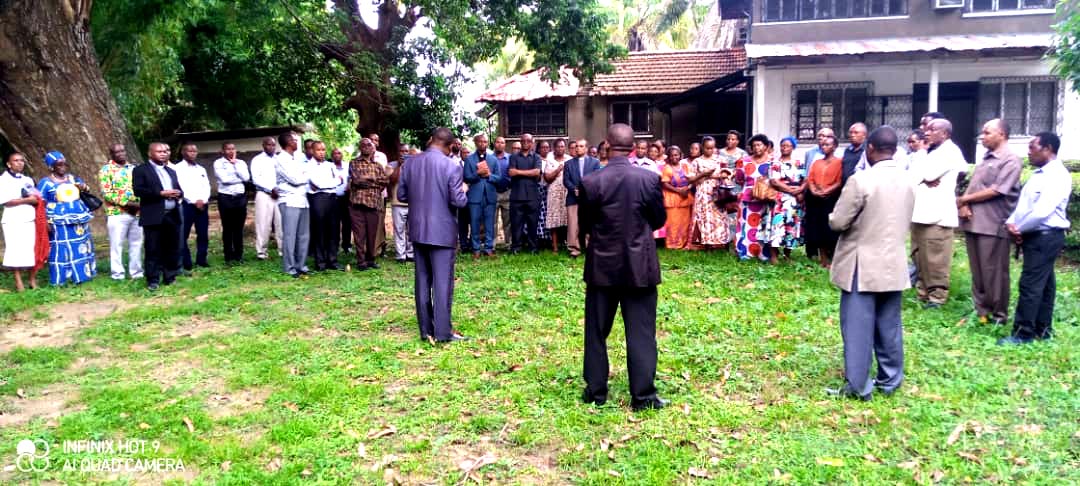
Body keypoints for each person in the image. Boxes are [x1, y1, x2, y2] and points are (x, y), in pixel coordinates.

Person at [579, 123, 667, 411]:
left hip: (602, 265)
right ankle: (643, 397)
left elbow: (585, 223)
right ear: (632, 147)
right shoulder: (649, 179)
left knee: (596, 331)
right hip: (639, 266)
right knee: (641, 332)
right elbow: (658, 219)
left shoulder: (592, 181)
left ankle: (596, 392)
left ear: (606, 144)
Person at [827, 126, 915, 401]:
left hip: (861, 264)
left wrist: (832, 217)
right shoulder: (908, 180)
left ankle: (858, 386)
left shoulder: (861, 180)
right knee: (889, 325)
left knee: (857, 328)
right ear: (895, 150)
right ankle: (890, 380)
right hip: (894, 262)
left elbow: (838, 221)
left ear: (870, 148)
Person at [999, 132, 1072, 345]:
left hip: (1045, 237)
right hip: (1037, 235)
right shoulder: (1039, 174)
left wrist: (1018, 229)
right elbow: (1024, 206)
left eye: (1033, 147)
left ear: (1047, 149)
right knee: (1045, 285)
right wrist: (1012, 223)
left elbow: (1042, 212)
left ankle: (1023, 334)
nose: (1028, 152)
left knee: (1030, 285)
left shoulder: (1057, 175)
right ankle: (1043, 330)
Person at [398, 127, 469, 343]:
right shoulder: (451, 166)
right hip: (442, 231)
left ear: (431, 140)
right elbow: (458, 201)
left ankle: (425, 330)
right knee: (442, 282)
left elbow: (401, 195)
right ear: (450, 146)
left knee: (422, 280)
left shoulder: (410, 163)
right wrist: (464, 190)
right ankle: (443, 332)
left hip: (418, 229)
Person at [957, 119, 1022, 325]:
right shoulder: (986, 157)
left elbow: (997, 190)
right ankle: (982, 312)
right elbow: (975, 185)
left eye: (987, 133)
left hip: (993, 224)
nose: (982, 136)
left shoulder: (1010, 159)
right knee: (978, 271)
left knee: (994, 271)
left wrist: (964, 199)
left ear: (1001, 134)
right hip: (974, 222)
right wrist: (964, 205)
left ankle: (999, 315)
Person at [910, 118, 967, 308]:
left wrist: (921, 158)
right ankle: (923, 293)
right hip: (920, 213)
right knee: (919, 255)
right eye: (926, 129)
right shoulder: (932, 152)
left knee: (935, 258)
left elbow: (928, 175)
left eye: (932, 129)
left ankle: (937, 297)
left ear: (945, 133)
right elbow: (911, 177)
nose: (926, 132)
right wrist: (922, 176)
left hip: (937, 216)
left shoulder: (950, 152)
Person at [36, 152, 96, 286]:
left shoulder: (72, 178)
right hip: (57, 220)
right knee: (61, 247)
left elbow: (87, 189)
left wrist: (83, 187)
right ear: (51, 166)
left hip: (78, 219)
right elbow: (40, 203)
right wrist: (45, 222)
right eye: (59, 164)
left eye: (64, 164)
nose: (63, 167)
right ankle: (61, 279)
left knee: (80, 245)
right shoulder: (45, 183)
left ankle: (82, 276)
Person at [133, 143, 183, 291]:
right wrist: (161, 194)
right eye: (159, 151)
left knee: (171, 247)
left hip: (172, 214)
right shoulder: (141, 170)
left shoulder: (170, 171)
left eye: (166, 151)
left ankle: (170, 276)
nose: (163, 153)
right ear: (150, 153)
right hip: (153, 215)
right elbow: (138, 190)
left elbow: (179, 188)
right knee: (153, 248)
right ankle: (153, 279)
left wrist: (178, 194)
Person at [99, 143, 143, 280]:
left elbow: (141, 187)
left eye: (122, 151)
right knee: (117, 244)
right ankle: (117, 274)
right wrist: (128, 204)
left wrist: (140, 204)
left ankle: (136, 273)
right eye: (116, 152)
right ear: (111, 154)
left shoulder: (133, 168)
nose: (120, 154)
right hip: (117, 213)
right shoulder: (106, 170)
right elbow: (107, 193)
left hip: (137, 212)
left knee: (136, 243)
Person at [1, 153, 42, 291]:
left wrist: (34, 199)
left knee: (31, 249)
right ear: (9, 164)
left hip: (29, 218)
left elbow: (37, 197)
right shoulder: (3, 180)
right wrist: (27, 200)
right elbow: (5, 201)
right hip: (12, 219)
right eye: (16, 160)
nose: (20, 163)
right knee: (15, 249)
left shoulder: (27, 180)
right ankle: (18, 282)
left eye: (22, 160)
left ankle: (32, 280)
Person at [348, 138, 389, 270]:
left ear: (373, 148)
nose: (366, 147)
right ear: (360, 148)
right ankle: (361, 261)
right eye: (363, 145)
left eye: (369, 145)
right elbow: (357, 180)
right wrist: (374, 182)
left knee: (372, 234)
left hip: (373, 204)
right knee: (359, 235)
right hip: (357, 204)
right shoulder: (354, 163)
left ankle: (370, 259)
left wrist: (367, 181)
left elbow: (385, 181)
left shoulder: (378, 165)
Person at [275, 131, 311, 277]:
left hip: (302, 200)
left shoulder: (297, 158)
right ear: (289, 142)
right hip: (289, 200)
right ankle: (289, 267)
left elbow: (301, 176)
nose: (297, 142)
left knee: (303, 235)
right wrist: (307, 175)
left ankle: (301, 265)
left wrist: (304, 175)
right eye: (295, 140)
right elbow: (295, 179)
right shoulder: (280, 159)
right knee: (290, 235)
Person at [735, 134, 775, 262]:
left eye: (759, 145)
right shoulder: (744, 161)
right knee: (746, 225)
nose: (757, 148)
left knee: (763, 225)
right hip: (748, 198)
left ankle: (763, 254)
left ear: (766, 146)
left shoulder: (773, 161)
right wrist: (751, 188)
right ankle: (744, 252)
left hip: (765, 199)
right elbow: (739, 179)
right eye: (754, 146)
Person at [804, 135, 843, 267]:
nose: (824, 147)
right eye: (822, 145)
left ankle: (833, 258)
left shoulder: (839, 162)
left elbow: (839, 181)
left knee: (829, 228)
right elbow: (810, 179)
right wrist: (814, 190)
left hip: (831, 199)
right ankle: (823, 258)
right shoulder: (817, 162)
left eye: (827, 144)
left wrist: (827, 191)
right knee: (818, 228)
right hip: (816, 199)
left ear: (834, 146)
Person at [688, 136, 732, 249]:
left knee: (719, 216)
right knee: (705, 217)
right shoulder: (697, 161)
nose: (710, 150)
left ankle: (721, 242)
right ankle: (706, 242)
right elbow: (690, 179)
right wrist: (703, 174)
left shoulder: (720, 160)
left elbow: (727, 174)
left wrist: (719, 176)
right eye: (707, 148)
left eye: (712, 148)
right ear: (702, 147)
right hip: (703, 192)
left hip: (717, 192)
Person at [171, 142, 210, 270]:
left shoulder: (201, 169)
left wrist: (203, 200)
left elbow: (207, 186)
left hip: (202, 205)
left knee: (203, 234)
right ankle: (186, 262)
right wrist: (194, 200)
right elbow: (181, 187)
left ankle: (201, 260)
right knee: (184, 234)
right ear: (183, 152)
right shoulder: (177, 168)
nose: (193, 153)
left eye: (195, 151)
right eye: (190, 151)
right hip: (187, 205)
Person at [306, 140, 344, 271]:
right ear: (312, 151)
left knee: (333, 230)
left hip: (332, 198)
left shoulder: (330, 165)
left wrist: (333, 182)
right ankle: (320, 262)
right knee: (319, 231)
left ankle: (332, 260)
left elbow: (341, 180)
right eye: (318, 150)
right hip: (318, 199)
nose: (321, 152)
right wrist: (335, 181)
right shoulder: (309, 166)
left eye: (323, 150)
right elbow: (319, 184)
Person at [464, 134, 503, 258]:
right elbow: (466, 177)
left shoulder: (493, 159)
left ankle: (488, 248)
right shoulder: (469, 159)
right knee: (474, 223)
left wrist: (489, 175)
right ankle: (475, 249)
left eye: (485, 142)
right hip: (475, 196)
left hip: (490, 196)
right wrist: (478, 173)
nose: (483, 144)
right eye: (480, 141)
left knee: (489, 223)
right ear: (476, 143)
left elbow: (499, 178)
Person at [768, 136, 807, 261]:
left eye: (788, 146)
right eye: (783, 145)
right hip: (780, 198)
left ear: (793, 148)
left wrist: (800, 191)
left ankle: (787, 255)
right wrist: (792, 191)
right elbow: (774, 182)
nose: (784, 148)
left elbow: (805, 180)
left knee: (792, 225)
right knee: (777, 224)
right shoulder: (775, 163)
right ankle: (774, 256)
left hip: (795, 201)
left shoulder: (799, 163)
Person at [213, 142, 249, 264]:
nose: (231, 151)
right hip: (226, 198)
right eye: (228, 149)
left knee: (239, 227)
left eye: (233, 148)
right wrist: (239, 179)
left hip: (240, 198)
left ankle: (239, 255)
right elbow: (225, 180)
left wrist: (235, 165)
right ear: (223, 151)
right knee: (228, 227)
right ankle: (228, 256)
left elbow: (246, 178)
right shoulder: (218, 163)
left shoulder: (241, 163)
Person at [563, 138, 599, 258]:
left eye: (581, 146)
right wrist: (574, 189)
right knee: (573, 224)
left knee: (590, 222)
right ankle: (574, 248)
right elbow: (566, 180)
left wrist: (585, 190)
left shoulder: (594, 162)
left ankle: (590, 247)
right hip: (573, 198)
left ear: (586, 148)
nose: (578, 148)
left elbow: (596, 178)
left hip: (589, 198)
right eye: (576, 146)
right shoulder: (568, 163)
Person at [508, 134, 543, 254]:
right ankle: (516, 247)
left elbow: (537, 172)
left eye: (528, 140)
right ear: (520, 141)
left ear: (532, 143)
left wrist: (518, 172)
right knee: (516, 223)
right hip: (517, 195)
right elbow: (511, 173)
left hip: (532, 196)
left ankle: (533, 247)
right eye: (523, 140)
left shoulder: (536, 157)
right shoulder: (513, 157)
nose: (526, 142)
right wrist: (529, 173)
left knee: (533, 223)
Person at [250, 137, 282, 260]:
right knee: (263, 223)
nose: (271, 147)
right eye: (269, 145)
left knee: (281, 223)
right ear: (263, 145)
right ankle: (261, 252)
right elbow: (256, 179)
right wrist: (271, 189)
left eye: (273, 145)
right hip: (264, 194)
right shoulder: (257, 160)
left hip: (279, 195)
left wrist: (278, 189)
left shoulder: (278, 159)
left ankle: (283, 250)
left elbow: (282, 176)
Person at [661, 146, 693, 249]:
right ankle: (672, 244)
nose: (674, 157)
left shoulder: (685, 166)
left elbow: (691, 179)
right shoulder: (667, 168)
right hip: (672, 197)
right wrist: (679, 191)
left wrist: (688, 188)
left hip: (685, 196)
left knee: (685, 221)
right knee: (673, 222)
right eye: (671, 155)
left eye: (676, 155)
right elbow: (665, 183)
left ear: (680, 155)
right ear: (669, 157)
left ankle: (683, 242)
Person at [544, 139, 571, 252]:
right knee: (554, 220)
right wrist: (558, 170)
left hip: (567, 192)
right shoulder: (549, 161)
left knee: (568, 219)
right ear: (554, 148)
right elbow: (547, 178)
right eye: (558, 146)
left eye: (562, 146)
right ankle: (555, 247)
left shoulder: (569, 160)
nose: (560, 148)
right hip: (554, 193)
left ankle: (569, 244)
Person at [389, 148, 413, 263]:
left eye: (406, 151)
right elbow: (393, 180)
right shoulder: (392, 165)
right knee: (399, 229)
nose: (404, 154)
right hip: (397, 202)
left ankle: (410, 253)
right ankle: (400, 255)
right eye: (401, 151)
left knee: (411, 230)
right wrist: (400, 165)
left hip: (412, 203)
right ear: (398, 153)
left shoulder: (414, 164)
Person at [492, 137, 513, 249]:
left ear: (505, 145)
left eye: (502, 142)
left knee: (508, 221)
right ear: (494, 144)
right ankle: (492, 245)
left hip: (507, 192)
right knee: (492, 221)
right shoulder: (489, 158)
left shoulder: (510, 158)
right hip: (493, 192)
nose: (500, 144)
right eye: (498, 142)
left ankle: (509, 243)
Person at [331, 148, 352, 255]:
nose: (337, 155)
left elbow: (351, 178)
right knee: (334, 223)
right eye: (334, 153)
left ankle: (346, 245)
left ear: (342, 155)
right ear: (331, 156)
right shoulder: (329, 167)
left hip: (345, 198)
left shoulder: (348, 166)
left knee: (347, 222)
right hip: (333, 198)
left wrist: (349, 184)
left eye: (339, 153)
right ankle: (335, 245)